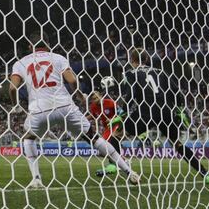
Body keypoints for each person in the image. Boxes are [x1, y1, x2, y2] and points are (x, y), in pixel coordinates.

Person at [9, 32, 140, 188]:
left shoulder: (21, 63)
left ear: (30, 46)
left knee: (29, 138)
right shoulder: (58, 58)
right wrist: (79, 95)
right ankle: (128, 171)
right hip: (65, 106)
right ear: (48, 45)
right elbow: (72, 80)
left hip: (39, 110)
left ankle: (36, 179)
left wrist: (15, 104)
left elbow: (12, 88)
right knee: (95, 139)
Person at [119, 47, 209, 184]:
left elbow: (131, 95)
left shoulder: (130, 73)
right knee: (178, 145)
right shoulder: (160, 72)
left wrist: (123, 112)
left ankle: (118, 166)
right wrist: (180, 110)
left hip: (145, 112)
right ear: (146, 59)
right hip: (166, 111)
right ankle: (205, 173)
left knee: (116, 135)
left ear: (131, 60)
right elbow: (176, 91)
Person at [88, 91, 126, 177]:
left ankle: (114, 165)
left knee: (109, 143)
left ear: (101, 96)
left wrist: (114, 119)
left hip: (117, 124)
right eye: (94, 99)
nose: (96, 100)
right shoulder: (93, 107)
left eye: (97, 97)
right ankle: (121, 160)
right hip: (107, 128)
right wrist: (82, 119)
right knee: (102, 150)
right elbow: (93, 116)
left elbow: (122, 113)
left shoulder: (110, 103)